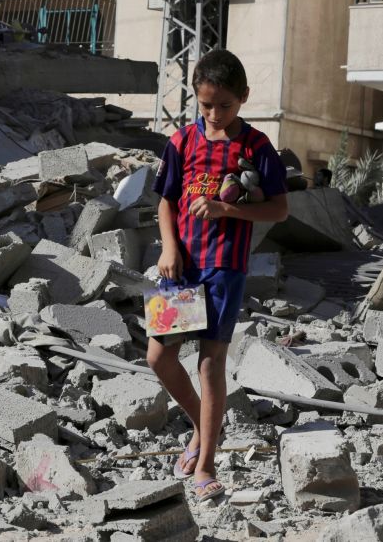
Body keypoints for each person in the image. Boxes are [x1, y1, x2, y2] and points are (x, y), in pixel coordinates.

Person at [149, 50, 288, 503]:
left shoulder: (257, 147)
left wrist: (228, 208)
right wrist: (169, 247)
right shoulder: (182, 142)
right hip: (181, 267)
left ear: (243, 98)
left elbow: (280, 209)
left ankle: (205, 462)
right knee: (158, 357)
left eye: (224, 105)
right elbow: (166, 201)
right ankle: (204, 425)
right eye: (206, 104)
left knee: (210, 363)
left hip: (224, 267)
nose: (214, 114)